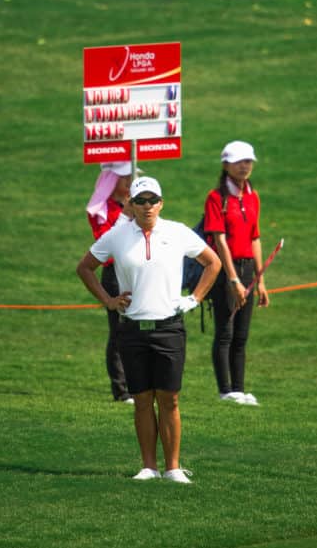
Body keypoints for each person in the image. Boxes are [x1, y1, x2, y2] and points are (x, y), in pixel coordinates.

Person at [76, 177, 220, 483]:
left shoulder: (177, 232)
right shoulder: (117, 235)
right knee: (142, 400)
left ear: (161, 203)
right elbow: (85, 267)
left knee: (169, 399)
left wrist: (195, 298)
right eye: (140, 201)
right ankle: (149, 466)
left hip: (169, 327)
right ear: (131, 204)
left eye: (152, 200)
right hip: (132, 329)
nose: (147, 206)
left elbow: (213, 263)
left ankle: (173, 468)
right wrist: (109, 301)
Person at [205, 140, 270, 406]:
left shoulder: (252, 196)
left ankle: (240, 390)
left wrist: (260, 280)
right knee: (225, 332)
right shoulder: (216, 198)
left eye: (248, 161)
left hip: (247, 271)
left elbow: (255, 238)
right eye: (240, 161)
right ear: (226, 165)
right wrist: (232, 279)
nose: (245, 166)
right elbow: (219, 241)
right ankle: (226, 390)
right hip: (225, 272)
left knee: (242, 334)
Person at [86, 161, 135, 403]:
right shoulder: (101, 210)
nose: (129, 182)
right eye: (125, 179)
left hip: (135, 270)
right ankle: (121, 389)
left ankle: (137, 384)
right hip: (114, 272)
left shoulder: (132, 206)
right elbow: (104, 243)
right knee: (119, 331)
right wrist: (125, 217)